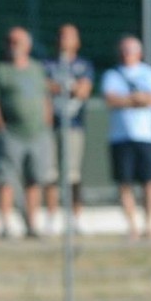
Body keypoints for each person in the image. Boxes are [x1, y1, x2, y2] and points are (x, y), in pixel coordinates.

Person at [0, 26, 54, 238]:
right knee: (6, 179)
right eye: (9, 41)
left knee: (34, 180)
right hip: (12, 133)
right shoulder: (0, 70)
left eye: (17, 41)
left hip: (37, 134)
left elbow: (44, 97)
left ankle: (31, 224)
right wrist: (0, 126)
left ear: (27, 45)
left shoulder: (36, 68)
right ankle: (6, 225)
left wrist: (46, 121)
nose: (12, 46)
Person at [101, 35, 151, 240]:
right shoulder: (111, 74)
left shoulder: (150, 73)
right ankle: (132, 227)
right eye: (123, 50)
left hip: (146, 136)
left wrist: (135, 99)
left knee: (149, 181)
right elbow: (111, 99)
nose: (126, 54)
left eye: (130, 50)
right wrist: (136, 99)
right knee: (124, 182)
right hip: (120, 137)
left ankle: (149, 225)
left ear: (139, 52)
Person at [43, 23, 94, 234]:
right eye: (62, 36)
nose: (66, 40)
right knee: (51, 173)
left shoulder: (83, 65)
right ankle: (51, 218)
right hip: (51, 125)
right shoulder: (48, 64)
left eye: (70, 36)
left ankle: (75, 217)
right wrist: (63, 87)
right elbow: (44, 85)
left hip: (73, 126)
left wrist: (65, 87)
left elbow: (82, 90)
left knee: (72, 174)